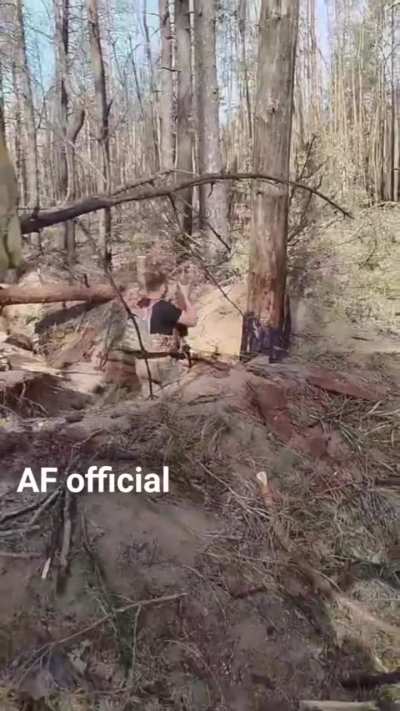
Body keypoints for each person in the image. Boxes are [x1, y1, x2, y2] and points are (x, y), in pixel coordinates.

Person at [123, 266, 198, 392]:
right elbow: (192, 320)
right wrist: (185, 296)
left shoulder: (137, 307)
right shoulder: (164, 307)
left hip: (141, 366)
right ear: (163, 287)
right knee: (192, 377)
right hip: (161, 365)